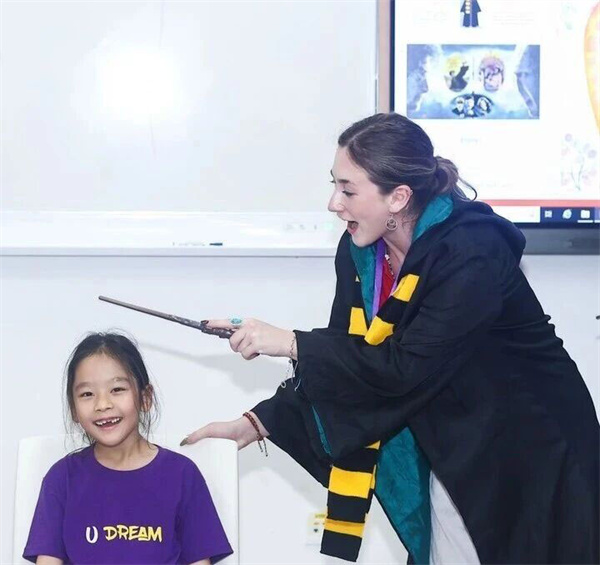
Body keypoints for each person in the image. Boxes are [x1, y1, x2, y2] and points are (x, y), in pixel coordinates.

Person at [182, 113, 599, 564]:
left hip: (536, 456)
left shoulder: (471, 249)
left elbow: (406, 366)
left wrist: (291, 341)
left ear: (398, 197)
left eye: (348, 190)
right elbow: (348, 359)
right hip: (454, 453)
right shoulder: (361, 254)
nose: (333, 203)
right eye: (334, 185)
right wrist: (256, 423)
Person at [24, 332, 233, 565]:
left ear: (145, 398)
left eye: (117, 389)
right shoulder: (62, 478)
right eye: (87, 394)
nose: (102, 404)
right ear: (74, 409)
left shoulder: (182, 474)